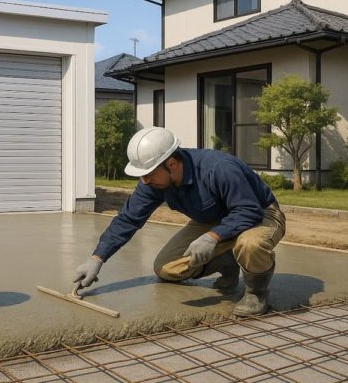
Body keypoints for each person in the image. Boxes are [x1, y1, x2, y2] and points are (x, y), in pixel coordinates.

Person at [73, 127, 286, 316]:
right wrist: (97, 258)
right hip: (213, 220)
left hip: (258, 215)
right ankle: (227, 261)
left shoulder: (219, 168)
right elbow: (128, 219)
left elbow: (248, 210)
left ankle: (257, 293)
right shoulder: (153, 183)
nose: (144, 181)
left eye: (148, 174)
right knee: (166, 268)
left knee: (250, 244)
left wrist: (214, 236)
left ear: (172, 163)